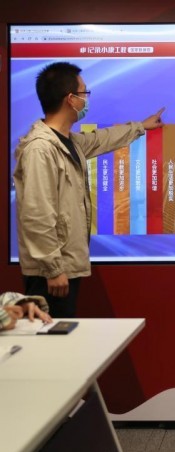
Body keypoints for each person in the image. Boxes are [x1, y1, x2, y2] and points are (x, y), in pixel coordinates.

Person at [13, 62, 165, 318]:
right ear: (71, 99)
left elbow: (99, 139)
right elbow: (37, 216)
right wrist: (53, 269)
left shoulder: (67, 141)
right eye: (84, 92)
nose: (87, 99)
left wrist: (140, 127)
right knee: (50, 337)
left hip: (63, 267)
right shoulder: (40, 149)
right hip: (49, 273)